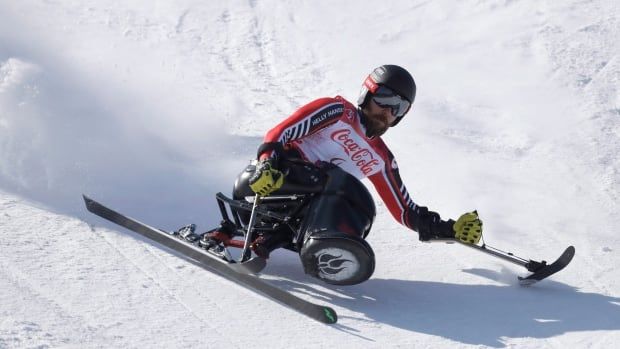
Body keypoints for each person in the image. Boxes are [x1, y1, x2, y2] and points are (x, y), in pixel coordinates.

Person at [246, 64, 482, 246]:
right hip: (272, 181)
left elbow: (405, 211)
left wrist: (451, 230)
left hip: (310, 211)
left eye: (398, 107)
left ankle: (330, 251)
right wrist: (267, 164)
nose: (388, 111)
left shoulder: (381, 158)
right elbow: (280, 133)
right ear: (368, 93)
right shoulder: (337, 111)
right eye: (385, 99)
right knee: (336, 180)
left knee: (360, 202)